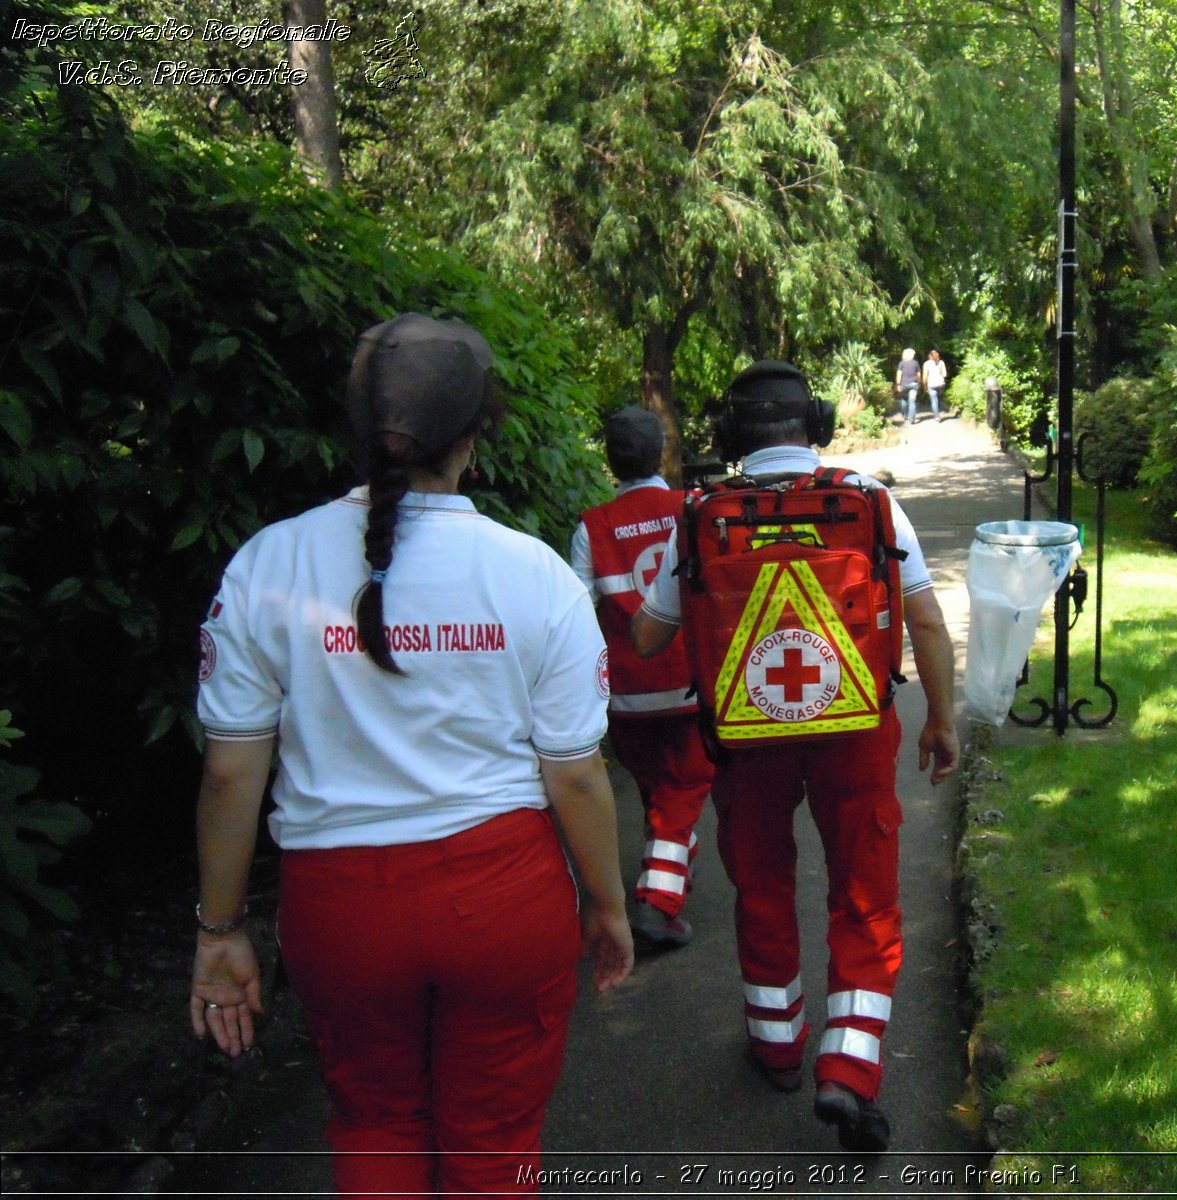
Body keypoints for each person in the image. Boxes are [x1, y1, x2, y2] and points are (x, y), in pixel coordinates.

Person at [188, 313, 633, 1197]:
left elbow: (231, 770)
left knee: (375, 1123)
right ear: (474, 437)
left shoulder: (265, 565)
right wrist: (608, 905)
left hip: (341, 908)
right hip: (503, 901)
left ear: (359, 429)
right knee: (495, 1138)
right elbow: (576, 774)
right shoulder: (534, 572)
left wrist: (219, 928)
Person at [631, 360, 960, 1152]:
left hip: (747, 742)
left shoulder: (700, 515)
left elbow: (648, 638)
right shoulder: (871, 501)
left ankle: (776, 1046)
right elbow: (928, 623)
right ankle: (848, 1070)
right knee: (865, 894)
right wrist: (939, 719)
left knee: (764, 883)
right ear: (813, 423)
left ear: (731, 434)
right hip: (854, 731)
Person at [570, 405, 714, 948]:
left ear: (611, 462)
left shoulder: (592, 527)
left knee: (662, 791)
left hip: (627, 698)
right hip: (690, 686)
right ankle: (656, 903)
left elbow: (577, 615)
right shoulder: (692, 509)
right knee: (683, 792)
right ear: (662, 452)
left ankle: (670, 865)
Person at [895, 347, 921, 423]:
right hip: (914, 384)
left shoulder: (901, 363)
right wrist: (919, 382)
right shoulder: (915, 363)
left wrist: (898, 384)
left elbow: (899, 374)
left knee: (903, 399)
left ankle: (904, 415)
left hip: (904, 384)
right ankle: (912, 419)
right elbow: (919, 374)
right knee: (912, 401)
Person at [922, 349, 948, 419]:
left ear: (929, 356)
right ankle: (938, 407)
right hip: (940, 384)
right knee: (938, 398)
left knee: (934, 400)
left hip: (931, 385)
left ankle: (937, 417)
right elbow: (945, 374)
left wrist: (924, 386)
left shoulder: (926, 363)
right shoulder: (941, 362)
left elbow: (924, 377)